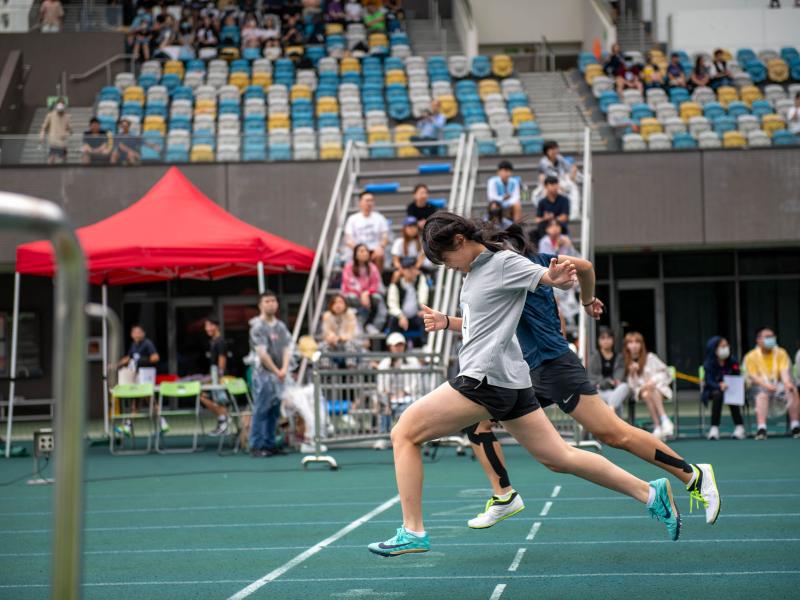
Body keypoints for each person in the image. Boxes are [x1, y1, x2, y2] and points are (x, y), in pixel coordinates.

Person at [368, 213, 681, 557]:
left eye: (445, 259)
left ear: (459, 241)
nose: (447, 266)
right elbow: (482, 323)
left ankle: (413, 530)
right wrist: (445, 322)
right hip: (511, 382)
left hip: (483, 380)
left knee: (403, 433)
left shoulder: (503, 263)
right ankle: (650, 493)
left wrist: (557, 278)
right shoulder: (473, 272)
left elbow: (547, 277)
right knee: (559, 457)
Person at [420, 226, 719, 532]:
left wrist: (586, 300)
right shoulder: (506, 267)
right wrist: (446, 322)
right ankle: (503, 495)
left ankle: (693, 474)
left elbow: (585, 267)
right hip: (528, 373)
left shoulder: (514, 266)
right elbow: (485, 324)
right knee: (482, 424)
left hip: (554, 366)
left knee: (614, 435)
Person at [249, 291, 293, 457]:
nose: (271, 304)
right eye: (267, 301)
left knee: (274, 410)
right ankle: (257, 445)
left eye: (273, 300)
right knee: (261, 409)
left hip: (279, 375)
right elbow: (262, 353)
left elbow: (287, 348)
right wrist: (276, 370)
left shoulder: (281, 326)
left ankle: (270, 443)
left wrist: (284, 369)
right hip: (263, 374)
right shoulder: (257, 327)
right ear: (260, 305)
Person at [743, 327, 800, 439]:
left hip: (778, 385)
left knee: (792, 390)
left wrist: (787, 383)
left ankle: (795, 426)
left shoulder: (781, 353)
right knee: (762, 394)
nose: (771, 339)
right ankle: (762, 428)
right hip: (758, 387)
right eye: (767, 337)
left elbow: (784, 372)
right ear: (758, 340)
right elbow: (753, 377)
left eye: (772, 336)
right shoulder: (751, 356)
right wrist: (766, 386)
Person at [117, 324, 168, 435]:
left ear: (143, 333)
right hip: (136, 377)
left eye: (138, 332)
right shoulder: (134, 345)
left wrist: (141, 361)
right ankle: (129, 426)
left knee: (148, 399)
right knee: (137, 402)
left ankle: (162, 422)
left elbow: (155, 357)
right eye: (134, 332)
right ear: (131, 334)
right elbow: (129, 357)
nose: (136, 334)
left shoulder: (147, 344)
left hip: (146, 376)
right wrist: (117, 364)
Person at [624, 332, 675, 440]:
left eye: (637, 342)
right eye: (631, 342)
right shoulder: (626, 362)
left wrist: (653, 380)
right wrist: (632, 374)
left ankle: (658, 425)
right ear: (627, 345)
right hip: (642, 392)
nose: (634, 345)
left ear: (641, 344)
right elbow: (631, 386)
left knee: (649, 391)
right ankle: (664, 420)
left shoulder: (650, 357)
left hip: (659, 389)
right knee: (646, 392)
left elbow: (666, 373)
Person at [375, 331, 420, 441]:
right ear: (390, 347)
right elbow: (382, 387)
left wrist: (404, 392)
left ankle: (406, 438)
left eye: (401, 345)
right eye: (396, 345)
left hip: (410, 397)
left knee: (408, 408)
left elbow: (415, 383)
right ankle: (383, 437)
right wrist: (388, 398)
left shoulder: (413, 361)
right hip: (390, 398)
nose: (399, 348)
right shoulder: (384, 364)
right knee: (383, 405)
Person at [702, 336, 745, 440]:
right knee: (718, 394)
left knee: (732, 395)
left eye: (727, 346)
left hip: (731, 389)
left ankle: (739, 427)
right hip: (713, 390)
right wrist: (719, 385)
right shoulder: (709, 364)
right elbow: (709, 381)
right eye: (722, 346)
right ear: (714, 349)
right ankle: (714, 428)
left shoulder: (732, 361)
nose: (726, 348)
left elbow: (737, 375)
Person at [341, 243, 387, 334]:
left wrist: (366, 293)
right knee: (352, 297)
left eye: (366, 251)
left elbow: (375, 284)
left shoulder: (372, 267)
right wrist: (361, 294)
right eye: (361, 251)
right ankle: (358, 322)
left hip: (367, 296)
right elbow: (348, 286)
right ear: (355, 254)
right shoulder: (348, 267)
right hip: (353, 297)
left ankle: (372, 325)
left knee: (377, 298)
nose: (364, 253)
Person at [198, 318, 231, 437]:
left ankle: (224, 420)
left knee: (210, 397)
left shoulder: (220, 341)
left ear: (216, 326)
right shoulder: (213, 341)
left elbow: (222, 360)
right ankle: (223, 421)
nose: (207, 328)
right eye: (206, 326)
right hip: (213, 374)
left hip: (219, 377)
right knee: (206, 397)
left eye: (210, 325)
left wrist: (218, 377)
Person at [588, 326, 630, 415]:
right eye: (603, 338)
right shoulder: (594, 357)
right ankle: (614, 415)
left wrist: (614, 382)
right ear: (598, 341)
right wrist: (606, 382)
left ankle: (611, 408)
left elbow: (619, 376)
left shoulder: (619, 357)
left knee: (624, 387)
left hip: (615, 390)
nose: (606, 341)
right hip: (599, 391)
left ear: (613, 339)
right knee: (616, 402)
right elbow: (592, 378)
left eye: (608, 338)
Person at [386, 256, 429, 344]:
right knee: (393, 320)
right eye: (407, 269)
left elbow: (423, 295)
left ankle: (425, 346)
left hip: (415, 316)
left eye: (412, 268)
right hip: (401, 317)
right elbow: (392, 305)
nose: (410, 271)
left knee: (426, 318)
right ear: (402, 270)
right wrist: (400, 315)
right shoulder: (395, 284)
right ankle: (392, 347)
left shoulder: (420, 280)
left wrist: (422, 309)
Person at [343, 191, 389, 269]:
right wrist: (360, 251)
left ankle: (377, 279)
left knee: (380, 254)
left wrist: (380, 247)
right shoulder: (352, 219)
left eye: (371, 200)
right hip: (358, 249)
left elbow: (385, 237)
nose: (369, 203)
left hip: (375, 250)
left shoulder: (380, 218)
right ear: (360, 202)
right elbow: (348, 239)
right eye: (367, 200)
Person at [39, 99, 71, 165]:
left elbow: (70, 130)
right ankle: (49, 174)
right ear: (56, 106)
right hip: (53, 142)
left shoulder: (67, 117)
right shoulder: (50, 115)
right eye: (59, 105)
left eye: (62, 105)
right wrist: (42, 134)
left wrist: (66, 134)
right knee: (51, 159)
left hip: (62, 143)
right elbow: (44, 127)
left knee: (64, 159)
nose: (60, 107)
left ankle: (63, 174)